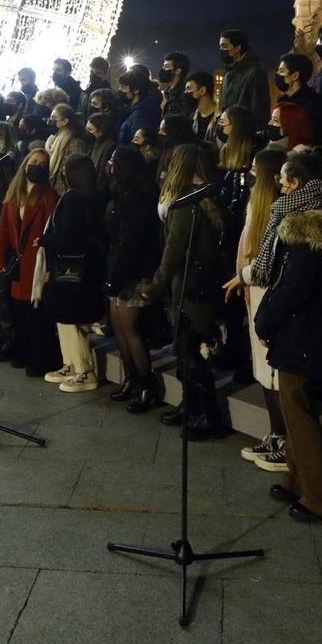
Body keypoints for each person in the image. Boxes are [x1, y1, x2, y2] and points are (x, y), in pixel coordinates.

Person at [252, 148, 322, 517]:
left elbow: (293, 287)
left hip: (305, 334)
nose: (278, 189)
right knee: (293, 410)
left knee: (298, 413)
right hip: (306, 331)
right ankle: (297, 480)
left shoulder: (305, 229)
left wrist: (265, 322)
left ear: (295, 184)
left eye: (282, 182)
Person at [143, 143, 230, 438]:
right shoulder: (206, 196)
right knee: (187, 349)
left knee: (189, 350)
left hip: (191, 287)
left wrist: (156, 285)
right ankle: (191, 406)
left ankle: (206, 415)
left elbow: (174, 250)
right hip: (199, 283)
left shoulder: (187, 204)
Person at [224, 146, 288, 464]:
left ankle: (283, 438)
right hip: (255, 289)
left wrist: (244, 276)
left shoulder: (279, 211)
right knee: (263, 369)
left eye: (253, 168)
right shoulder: (257, 205)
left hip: (267, 292)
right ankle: (275, 432)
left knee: (272, 369)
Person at [42, 152, 107, 392]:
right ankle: (70, 363)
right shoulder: (89, 196)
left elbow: (69, 234)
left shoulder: (74, 199)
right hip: (81, 266)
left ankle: (83, 370)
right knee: (65, 318)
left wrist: (45, 240)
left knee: (70, 318)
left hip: (73, 267)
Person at [106, 145, 164, 408]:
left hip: (133, 270)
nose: (109, 165)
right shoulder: (122, 192)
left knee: (130, 329)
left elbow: (130, 241)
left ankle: (146, 383)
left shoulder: (137, 197)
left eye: (113, 161)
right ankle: (130, 378)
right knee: (118, 327)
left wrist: (117, 275)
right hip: (119, 267)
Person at [0, 149, 61, 376]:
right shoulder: (14, 192)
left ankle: (41, 358)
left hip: (37, 261)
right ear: (25, 165)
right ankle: (23, 353)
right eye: (34, 162)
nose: (37, 166)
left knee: (36, 314)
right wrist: (0, 257)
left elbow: (52, 228)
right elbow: (4, 228)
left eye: (42, 164)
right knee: (19, 311)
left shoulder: (49, 195)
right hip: (19, 262)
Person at [216, 29, 268, 121]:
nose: (221, 50)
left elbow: (259, 112)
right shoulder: (228, 74)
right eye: (220, 46)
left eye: (224, 46)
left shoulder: (256, 72)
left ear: (237, 48)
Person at [275, 53, 322, 135]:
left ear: (295, 76)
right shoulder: (283, 101)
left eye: (281, 71)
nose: (277, 74)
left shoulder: (312, 103)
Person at [159, 52, 195, 123]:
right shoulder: (166, 93)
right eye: (163, 66)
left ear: (178, 71)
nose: (163, 69)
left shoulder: (185, 93)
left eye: (167, 67)